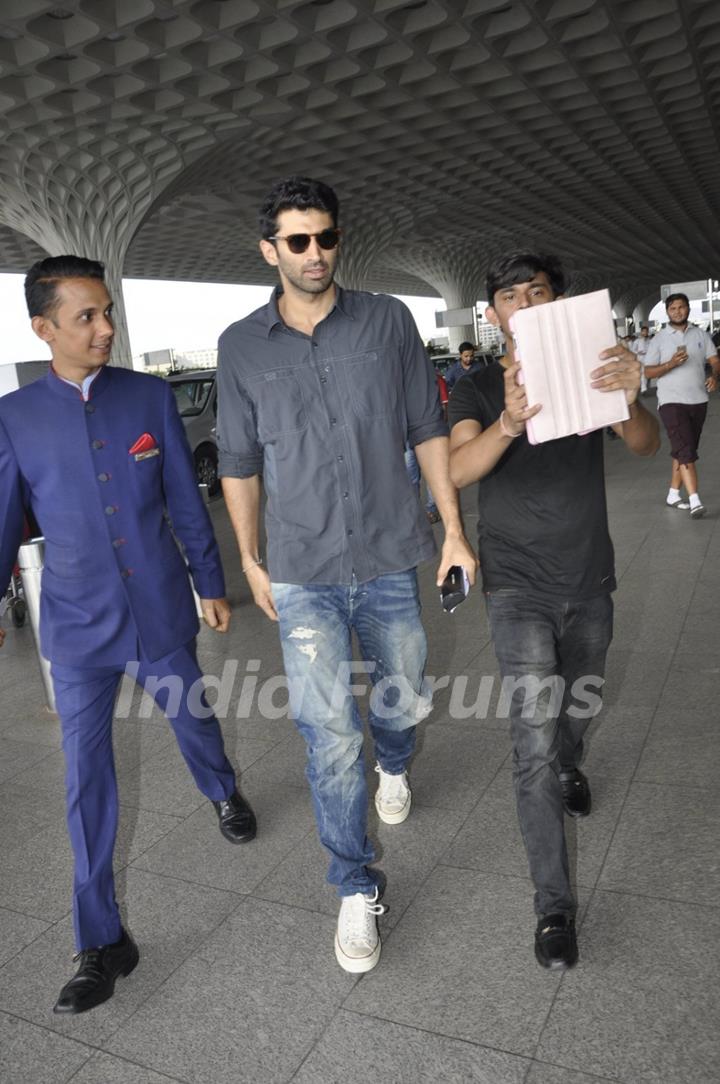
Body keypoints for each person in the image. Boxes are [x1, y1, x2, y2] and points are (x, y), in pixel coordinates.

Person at [217, 176, 476, 974]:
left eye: (326, 237)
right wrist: (252, 560)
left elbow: (428, 427)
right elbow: (238, 460)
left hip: (393, 553)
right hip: (301, 570)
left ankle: (394, 761)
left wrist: (454, 535)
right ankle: (354, 885)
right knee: (328, 735)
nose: (316, 253)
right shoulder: (240, 347)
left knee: (403, 693)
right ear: (270, 250)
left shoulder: (389, 321)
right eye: (297, 240)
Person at [0, 256, 256, 1015]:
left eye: (107, 311)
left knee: (193, 718)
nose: (105, 327)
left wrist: (210, 582)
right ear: (43, 328)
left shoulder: (147, 398)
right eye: (86, 317)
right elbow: (5, 520)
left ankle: (224, 791)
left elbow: (184, 494)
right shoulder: (14, 417)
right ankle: (102, 940)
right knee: (85, 782)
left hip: (157, 611)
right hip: (76, 627)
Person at [448, 251, 659, 971]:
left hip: (589, 576)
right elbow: (457, 468)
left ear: (558, 300)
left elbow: (643, 443)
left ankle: (574, 757)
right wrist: (507, 422)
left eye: (538, 291)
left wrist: (632, 394)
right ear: (495, 315)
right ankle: (553, 908)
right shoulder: (475, 386)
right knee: (531, 744)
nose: (525, 303)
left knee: (581, 701)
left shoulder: (591, 368)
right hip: (515, 587)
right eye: (510, 295)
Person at [643, 292, 720, 517]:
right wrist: (670, 364)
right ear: (667, 312)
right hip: (671, 401)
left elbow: (714, 360)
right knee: (686, 449)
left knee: (684, 449)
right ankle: (695, 500)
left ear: (688, 309)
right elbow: (648, 371)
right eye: (673, 308)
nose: (677, 311)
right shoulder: (659, 339)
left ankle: (673, 494)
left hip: (698, 400)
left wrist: (715, 376)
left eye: (681, 307)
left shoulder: (701, 335)